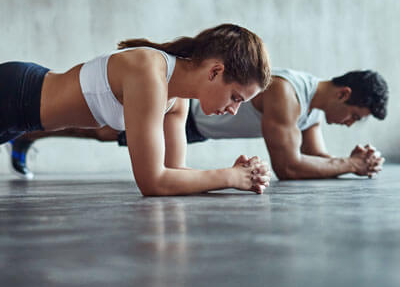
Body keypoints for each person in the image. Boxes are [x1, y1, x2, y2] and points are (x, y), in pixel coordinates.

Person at [0, 24, 273, 195]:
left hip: (21, 119)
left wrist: (235, 173)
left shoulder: (177, 100)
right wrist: (230, 177)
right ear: (215, 71)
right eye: (235, 97)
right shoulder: (149, 73)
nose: (234, 110)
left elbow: (173, 171)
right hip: (12, 94)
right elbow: (153, 182)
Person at [9, 68, 388, 180]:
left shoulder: (316, 110)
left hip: (200, 128)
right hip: (190, 110)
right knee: (101, 127)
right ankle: (27, 130)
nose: (351, 124)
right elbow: (289, 167)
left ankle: (26, 132)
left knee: (104, 131)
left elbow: (314, 156)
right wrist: (350, 166)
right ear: (344, 94)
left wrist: (351, 161)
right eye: (356, 116)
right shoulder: (287, 94)